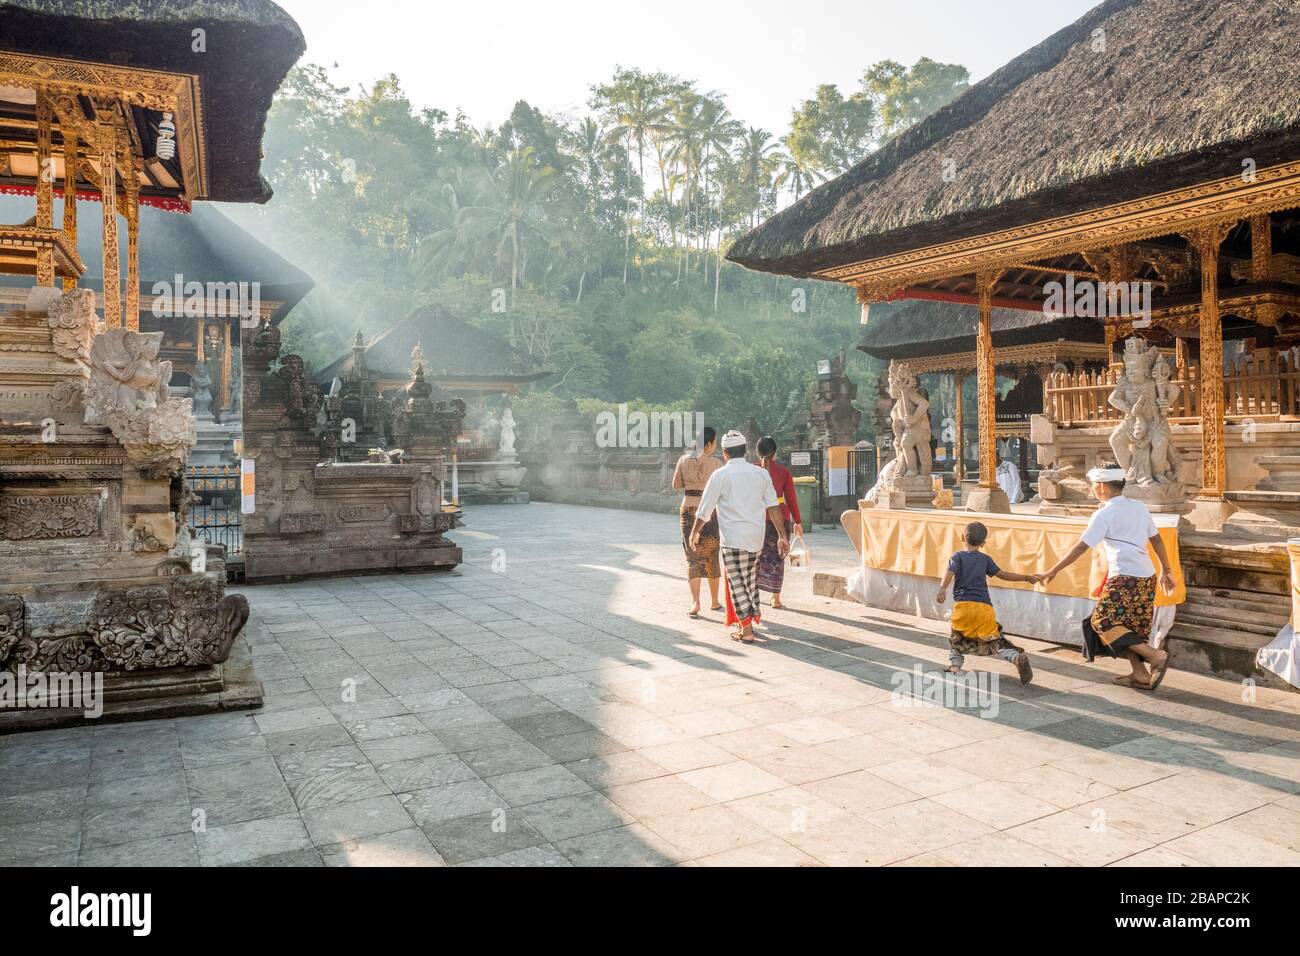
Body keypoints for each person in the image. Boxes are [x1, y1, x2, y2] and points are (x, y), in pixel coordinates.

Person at [1039, 463, 1176, 690]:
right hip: (1147, 576)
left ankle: (1155, 656)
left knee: (1103, 621)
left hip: (1124, 577)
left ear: (1102, 486)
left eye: (1093, 485)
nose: (1092, 489)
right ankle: (1140, 674)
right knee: (1130, 626)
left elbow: (1081, 547)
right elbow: (1157, 539)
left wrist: (1052, 570)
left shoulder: (1104, 514)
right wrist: (1166, 570)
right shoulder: (1139, 507)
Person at [690, 430, 789, 643]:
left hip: (733, 540)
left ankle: (746, 630)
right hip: (756, 537)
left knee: (737, 583)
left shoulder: (720, 475)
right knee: (750, 581)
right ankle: (751, 618)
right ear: (745, 450)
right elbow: (773, 506)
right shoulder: (761, 473)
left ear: (725, 453)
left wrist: (695, 531)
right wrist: (782, 535)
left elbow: (704, 509)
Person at [935, 521, 1037, 684]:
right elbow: (1003, 574)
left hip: (963, 607)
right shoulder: (985, 559)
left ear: (962, 537)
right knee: (995, 640)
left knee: (957, 636)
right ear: (983, 544)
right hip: (984, 608)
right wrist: (1026, 577)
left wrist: (942, 590)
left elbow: (949, 572)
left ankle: (955, 666)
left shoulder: (957, 557)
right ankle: (1016, 657)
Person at [672, 426, 723, 617]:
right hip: (709, 511)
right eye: (715, 442)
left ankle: (695, 602)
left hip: (688, 509)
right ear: (709, 443)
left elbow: (676, 485)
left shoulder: (683, 460)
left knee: (692, 556)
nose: (716, 445)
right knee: (712, 554)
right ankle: (715, 602)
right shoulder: (716, 463)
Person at [755, 436, 802, 609]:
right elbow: (791, 499)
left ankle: (754, 593)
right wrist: (798, 521)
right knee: (778, 556)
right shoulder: (783, 472)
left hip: (756, 518)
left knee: (755, 557)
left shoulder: (752, 470)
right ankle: (776, 597)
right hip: (780, 519)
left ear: (757, 452)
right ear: (775, 452)